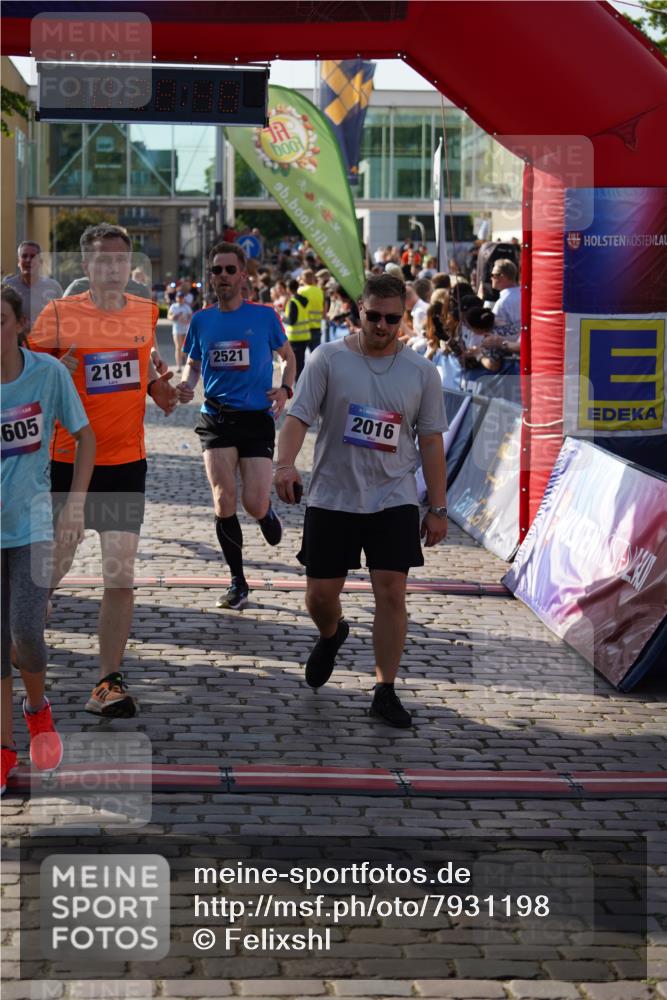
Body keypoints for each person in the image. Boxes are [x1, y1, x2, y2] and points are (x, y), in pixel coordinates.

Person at [274, 274, 448, 728]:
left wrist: (439, 508)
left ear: (402, 318)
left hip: (394, 497)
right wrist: (284, 465)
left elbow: (430, 441)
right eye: (374, 316)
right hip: (333, 496)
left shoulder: (422, 372)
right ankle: (331, 634)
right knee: (320, 596)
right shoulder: (328, 359)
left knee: (391, 591)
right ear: (358, 311)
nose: (383, 326)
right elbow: (297, 418)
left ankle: (384, 689)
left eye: (393, 318)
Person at [29, 223, 178, 718]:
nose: (112, 268)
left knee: (120, 576)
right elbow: (25, 384)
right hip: (69, 463)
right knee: (54, 568)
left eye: (120, 260)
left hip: (125, 463)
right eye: (102, 260)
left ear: (129, 265)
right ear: (86, 265)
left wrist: (164, 392)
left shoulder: (144, 312)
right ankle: (21, 636)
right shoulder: (57, 315)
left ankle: (107, 682)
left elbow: (147, 376)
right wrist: (56, 371)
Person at [1, 286, 95, 792]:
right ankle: (4, 745)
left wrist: (75, 503)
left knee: (25, 633)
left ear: (19, 325)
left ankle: (38, 709)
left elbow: (84, 437)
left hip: (33, 525)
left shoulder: (47, 374)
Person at [176, 241, 296, 612]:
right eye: (217, 270)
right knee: (223, 499)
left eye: (230, 270)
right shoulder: (201, 320)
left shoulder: (263, 316)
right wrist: (186, 384)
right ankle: (237, 581)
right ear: (210, 277)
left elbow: (288, 357)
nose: (223, 276)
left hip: (256, 417)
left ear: (243, 275)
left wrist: (286, 388)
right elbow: (193, 365)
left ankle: (265, 513)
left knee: (253, 501)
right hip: (217, 417)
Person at [4, 241, 63, 329]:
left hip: (46, 340)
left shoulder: (54, 287)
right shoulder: (7, 286)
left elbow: (62, 318)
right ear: (18, 262)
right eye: (24, 256)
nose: (28, 260)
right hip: (16, 341)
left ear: (41, 262)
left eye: (33, 256)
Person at [283, 278, 311, 379]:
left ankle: (297, 386)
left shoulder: (292, 302)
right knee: (301, 362)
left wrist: (283, 317)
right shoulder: (305, 300)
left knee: (294, 364)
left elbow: (291, 321)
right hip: (305, 336)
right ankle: (301, 384)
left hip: (294, 337)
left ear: (288, 289)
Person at [298, 269, 325, 352]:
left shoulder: (301, 291)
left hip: (304, 328)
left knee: (301, 358)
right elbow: (323, 308)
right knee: (316, 356)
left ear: (303, 279)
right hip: (316, 327)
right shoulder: (320, 291)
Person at [167, 290, 192, 371]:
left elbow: (191, 317)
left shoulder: (187, 307)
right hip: (177, 329)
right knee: (178, 347)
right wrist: (175, 316)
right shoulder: (174, 306)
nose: (180, 299)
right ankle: (179, 366)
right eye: (179, 297)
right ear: (176, 298)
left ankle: (183, 358)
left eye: (182, 297)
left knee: (184, 348)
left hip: (185, 329)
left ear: (184, 298)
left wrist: (186, 320)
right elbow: (169, 317)